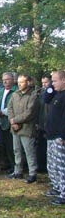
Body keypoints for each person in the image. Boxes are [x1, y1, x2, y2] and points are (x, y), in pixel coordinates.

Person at [7, 74, 39, 183]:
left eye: (22, 82)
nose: (19, 84)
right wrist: (12, 120)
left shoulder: (33, 95)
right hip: (15, 128)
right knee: (17, 151)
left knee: (29, 151)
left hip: (27, 128)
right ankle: (18, 171)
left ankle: (32, 173)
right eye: (19, 82)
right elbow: (10, 108)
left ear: (28, 82)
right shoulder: (15, 94)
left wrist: (15, 120)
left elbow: (29, 113)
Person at [45, 70, 65, 205]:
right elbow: (46, 99)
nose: (52, 83)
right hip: (51, 135)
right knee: (53, 165)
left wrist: (63, 135)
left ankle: (64, 194)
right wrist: (51, 87)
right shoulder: (56, 94)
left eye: (55, 80)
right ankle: (57, 187)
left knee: (61, 166)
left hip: (60, 136)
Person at [0, 72, 18, 172]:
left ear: (13, 80)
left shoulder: (16, 91)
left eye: (7, 79)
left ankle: (15, 166)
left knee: (12, 146)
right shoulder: (0, 92)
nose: (5, 81)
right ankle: (6, 164)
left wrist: (2, 112)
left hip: (12, 121)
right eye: (3, 79)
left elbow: (15, 107)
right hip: (1, 122)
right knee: (3, 144)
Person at [36, 74, 53, 173]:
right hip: (41, 123)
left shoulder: (53, 93)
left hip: (50, 124)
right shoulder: (40, 93)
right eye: (42, 83)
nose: (44, 85)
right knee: (41, 146)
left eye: (46, 82)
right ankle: (41, 166)